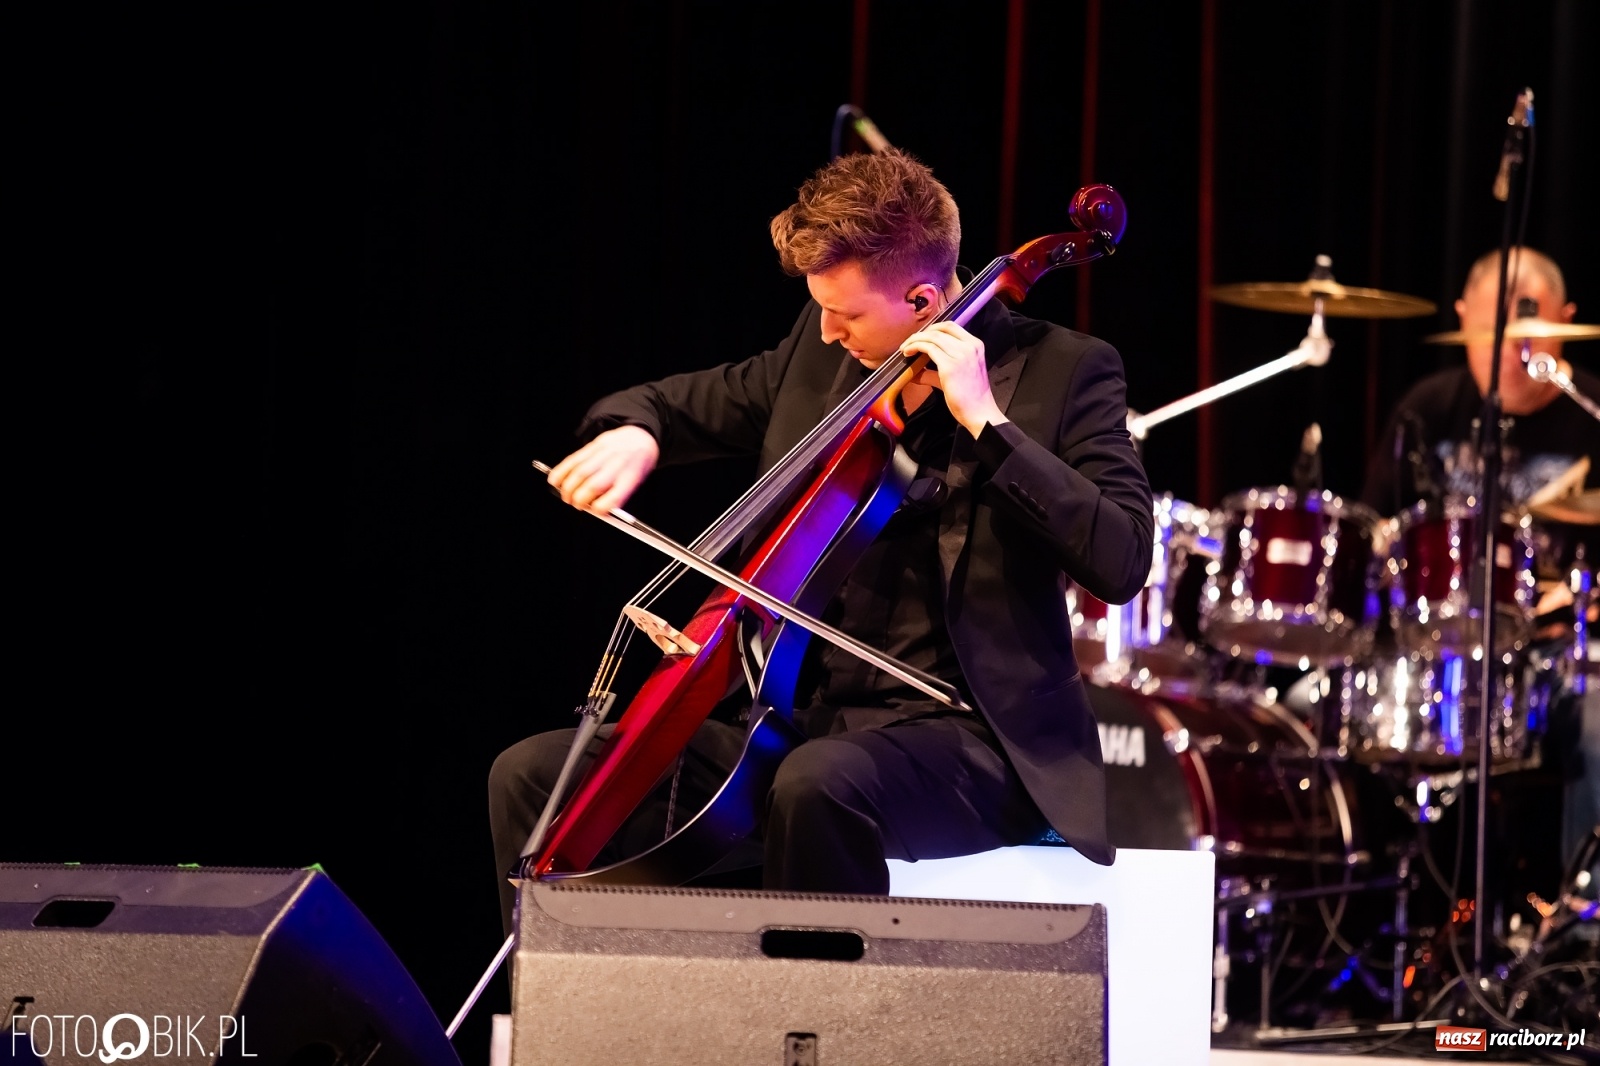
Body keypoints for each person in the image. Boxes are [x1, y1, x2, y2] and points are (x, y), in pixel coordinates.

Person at [487, 148, 1154, 935]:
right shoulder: (822, 343)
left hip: (972, 742)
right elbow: (691, 401)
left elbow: (1122, 558)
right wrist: (639, 430)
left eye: (848, 313)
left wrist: (990, 427)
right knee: (530, 777)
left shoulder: (1067, 371)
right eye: (821, 308)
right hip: (790, 720)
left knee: (818, 784)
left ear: (923, 297)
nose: (830, 332)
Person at [1360, 245, 1600, 881]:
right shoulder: (1428, 408)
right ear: (1463, 316)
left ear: (1566, 322)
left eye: (1531, 323)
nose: (1511, 345)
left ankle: (1581, 935)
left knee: (1599, 718)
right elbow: (1372, 536)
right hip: (1431, 656)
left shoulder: (1591, 415)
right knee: (1308, 707)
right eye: (1493, 323)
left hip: (1552, 657)